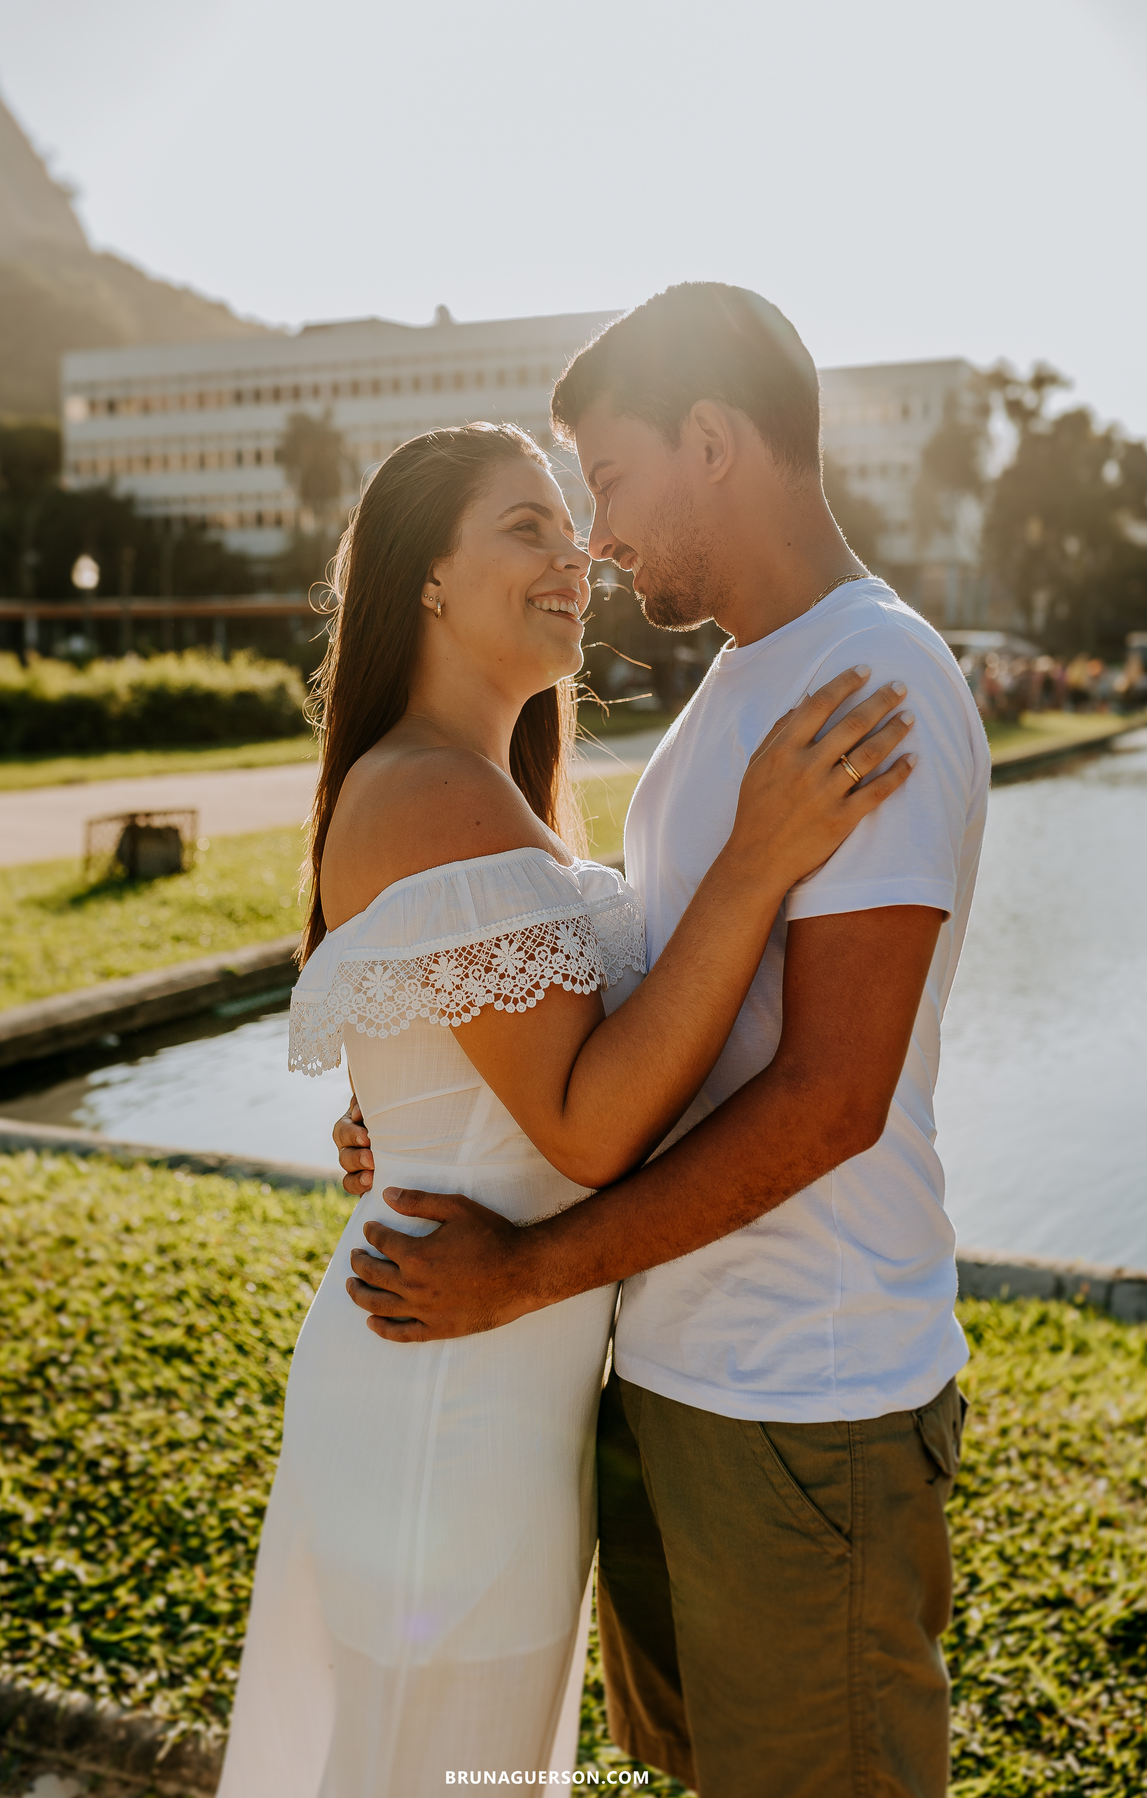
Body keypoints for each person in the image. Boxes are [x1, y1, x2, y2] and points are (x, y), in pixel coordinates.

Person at [337, 285, 990, 1798]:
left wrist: (522, 1272)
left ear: (713, 438)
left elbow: (831, 1098)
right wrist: (441, 1119)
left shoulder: (869, 679)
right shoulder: (726, 710)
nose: (600, 538)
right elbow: (643, 1032)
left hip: (806, 1400)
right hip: (675, 1385)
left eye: (612, 482)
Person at [217, 417, 914, 1797]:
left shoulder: (491, 797)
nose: (576, 554)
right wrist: (760, 858)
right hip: (447, 1404)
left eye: (572, 524)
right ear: (426, 577)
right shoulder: (426, 792)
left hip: (504, 1394)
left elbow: (486, 1084)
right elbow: (591, 1127)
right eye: (526, 526)